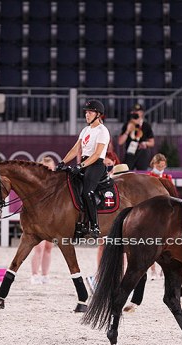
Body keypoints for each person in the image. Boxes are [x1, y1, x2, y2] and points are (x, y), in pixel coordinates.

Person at [55, 99, 110, 238]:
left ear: (98, 114)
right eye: (86, 112)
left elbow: (97, 154)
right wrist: (62, 162)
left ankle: (95, 225)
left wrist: (80, 166)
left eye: (90, 112)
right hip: (85, 163)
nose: (87, 115)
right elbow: (75, 149)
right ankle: (77, 223)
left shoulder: (102, 131)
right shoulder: (85, 130)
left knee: (87, 191)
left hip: (96, 165)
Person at [30, 156, 56, 285]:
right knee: (38, 248)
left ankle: (45, 275)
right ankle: (35, 274)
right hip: (39, 217)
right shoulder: (36, 183)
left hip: (52, 218)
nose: (49, 170)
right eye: (47, 168)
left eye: (51, 168)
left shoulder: (57, 183)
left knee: (48, 247)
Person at [118, 103, 155, 170]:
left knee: (142, 175)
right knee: (127, 173)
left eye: (136, 111)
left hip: (142, 154)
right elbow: (120, 142)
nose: (134, 113)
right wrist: (127, 131)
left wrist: (145, 143)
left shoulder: (146, 126)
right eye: (133, 111)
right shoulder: (127, 124)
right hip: (130, 153)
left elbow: (152, 142)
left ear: (141, 113)